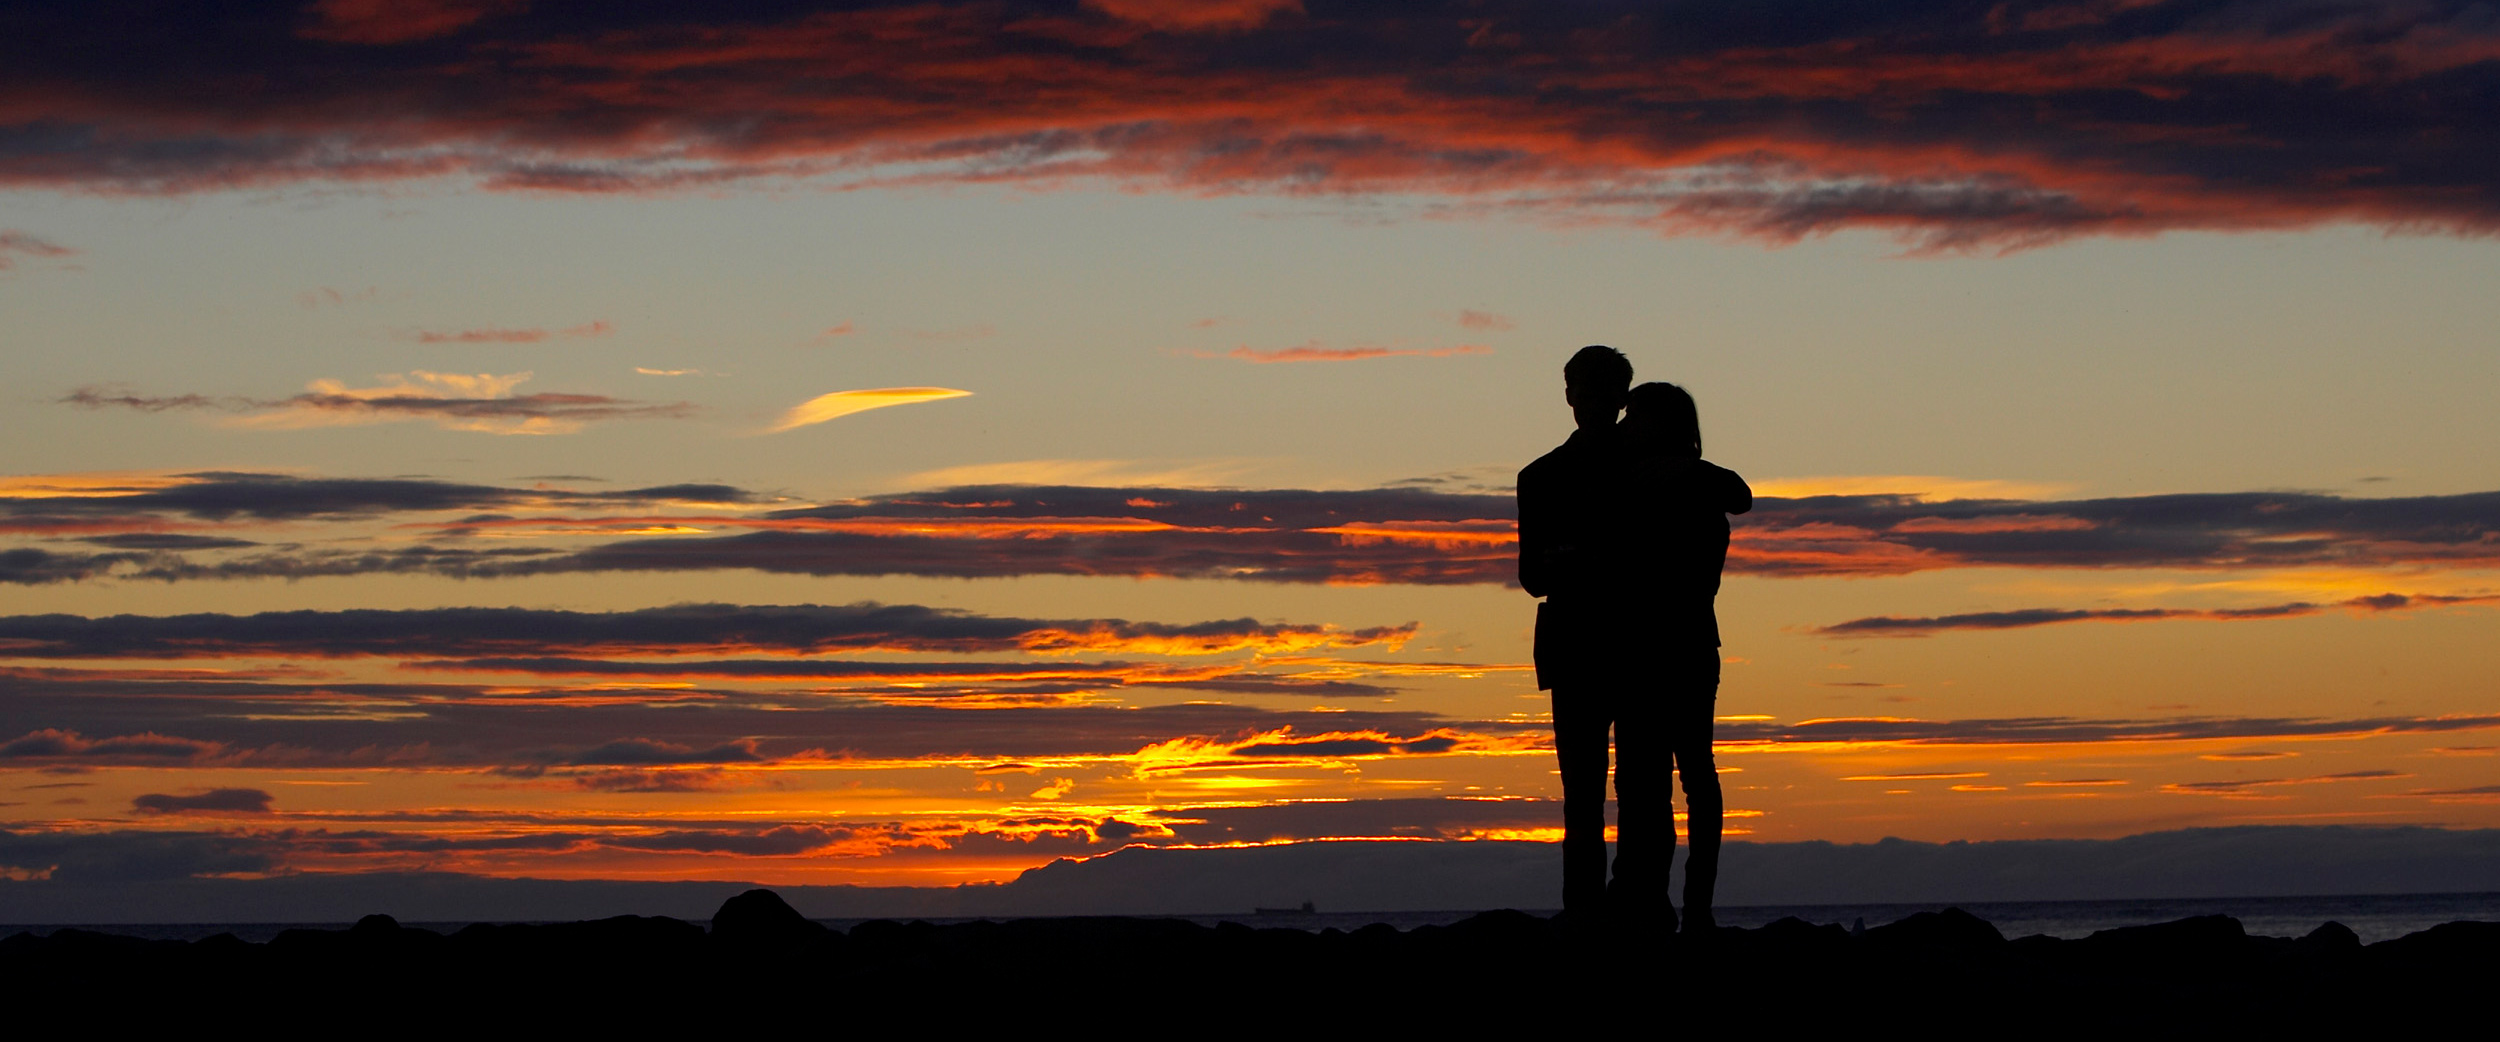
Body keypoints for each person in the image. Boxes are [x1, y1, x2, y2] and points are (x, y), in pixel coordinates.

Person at [1618, 380, 1750, 932]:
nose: (1628, 427)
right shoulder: (1628, 478)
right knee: (1644, 780)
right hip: (1639, 649)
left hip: (1687, 645)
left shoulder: (1699, 482)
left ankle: (1695, 904)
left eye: (1638, 417)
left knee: (1691, 774)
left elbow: (1740, 493)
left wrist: (1687, 471)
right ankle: (1652, 900)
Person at [1516, 345, 1637, 923]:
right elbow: (1532, 574)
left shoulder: (1646, 468)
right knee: (1583, 792)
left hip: (1635, 641)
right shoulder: (1539, 476)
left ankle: (1637, 904)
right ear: (1568, 396)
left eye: (1596, 391)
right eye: (1579, 391)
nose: (1585, 402)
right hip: (1576, 643)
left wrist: (1577, 559)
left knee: (1641, 787)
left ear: (1620, 398)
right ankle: (1585, 909)